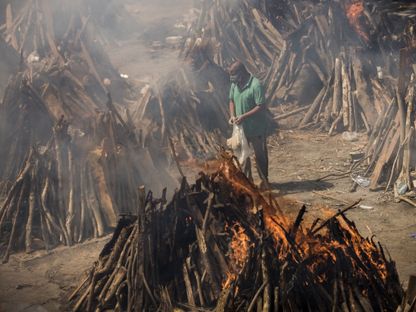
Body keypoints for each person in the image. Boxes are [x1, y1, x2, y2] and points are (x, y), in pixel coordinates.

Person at [228, 60, 269, 187]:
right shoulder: (235, 84)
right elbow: (231, 100)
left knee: (259, 155)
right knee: (243, 157)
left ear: (242, 73)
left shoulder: (256, 85)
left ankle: (264, 181)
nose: (233, 79)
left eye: (235, 75)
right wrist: (232, 115)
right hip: (241, 128)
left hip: (256, 128)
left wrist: (244, 116)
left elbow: (261, 105)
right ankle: (248, 182)